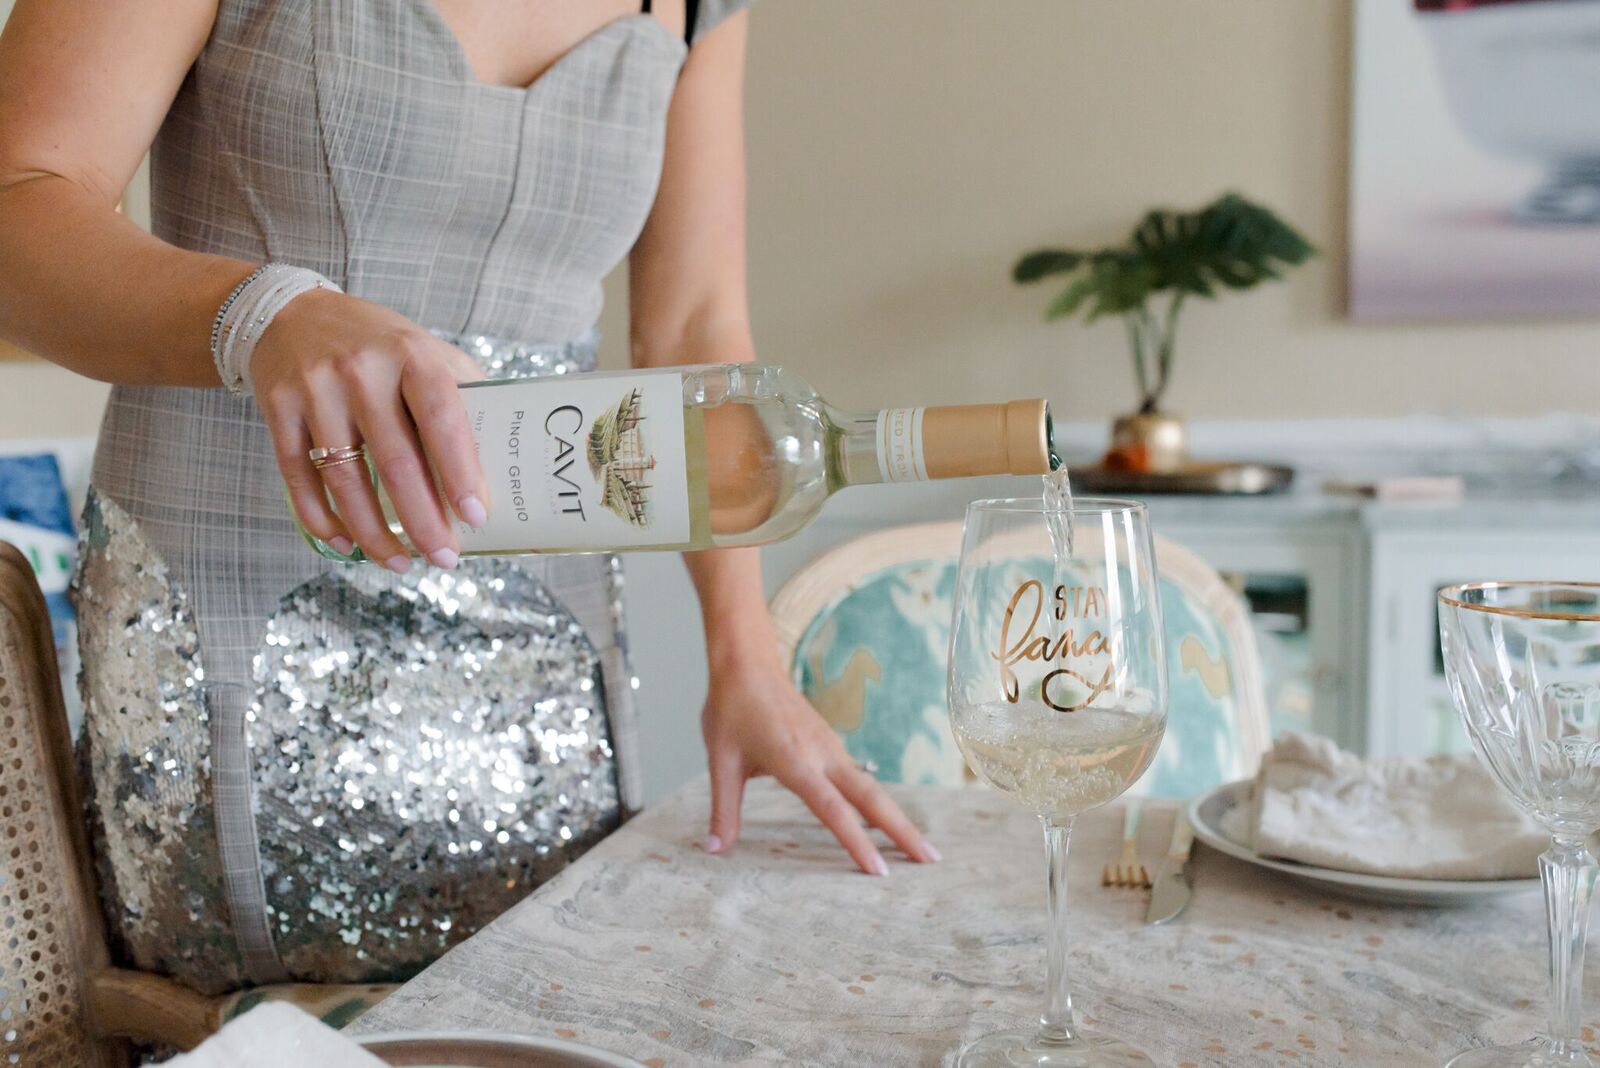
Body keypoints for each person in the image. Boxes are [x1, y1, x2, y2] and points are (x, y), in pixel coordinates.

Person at [0, 0, 938, 992]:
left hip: (542, 661)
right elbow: (17, 202)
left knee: (539, 1011)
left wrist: (746, 656)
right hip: (235, 626)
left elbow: (695, 331)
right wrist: (266, 316)